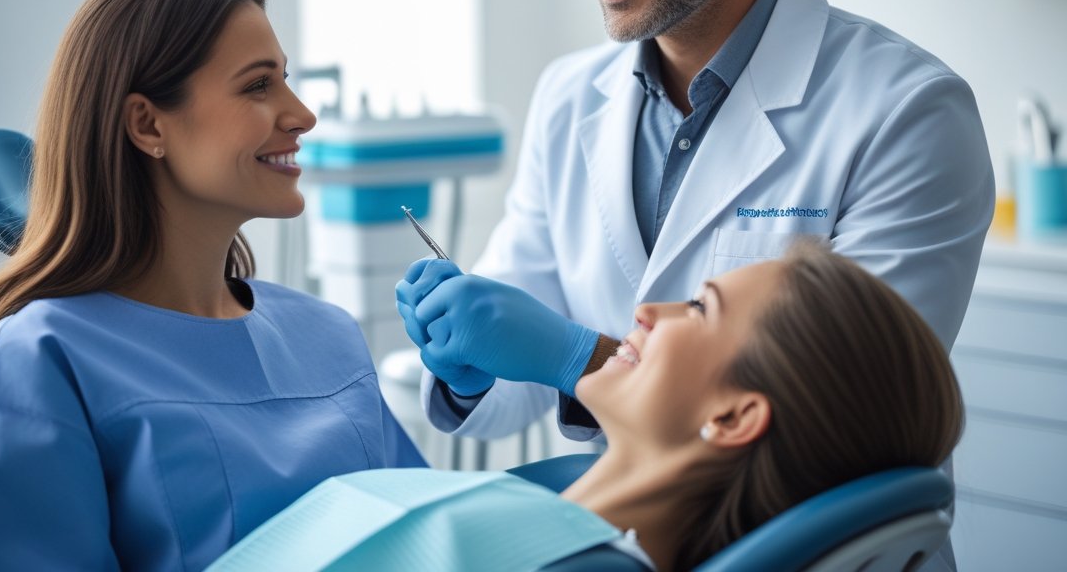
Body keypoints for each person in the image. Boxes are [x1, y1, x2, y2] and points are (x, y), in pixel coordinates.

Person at [397, 0, 992, 440]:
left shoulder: (907, 111)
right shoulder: (567, 97)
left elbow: (849, 410)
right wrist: (473, 365)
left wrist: (578, 358)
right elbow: (516, 351)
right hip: (616, 532)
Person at [0, 0, 426, 571]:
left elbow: (429, 537)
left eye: (285, 81)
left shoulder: (327, 333)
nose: (301, 115)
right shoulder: (36, 366)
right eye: (257, 86)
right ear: (147, 123)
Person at [221, 243, 964, 571]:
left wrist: (573, 354)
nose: (646, 310)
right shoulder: (551, 505)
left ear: (735, 418)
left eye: (699, 309)